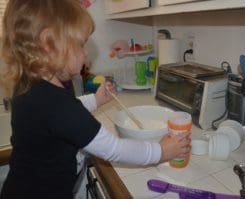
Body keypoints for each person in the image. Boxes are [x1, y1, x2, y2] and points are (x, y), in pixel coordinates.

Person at [0, 0, 191, 199]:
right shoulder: (55, 104)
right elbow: (113, 148)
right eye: (81, 44)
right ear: (49, 43)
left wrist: (96, 100)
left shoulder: (32, 86)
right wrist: (161, 151)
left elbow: (61, 117)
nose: (86, 53)